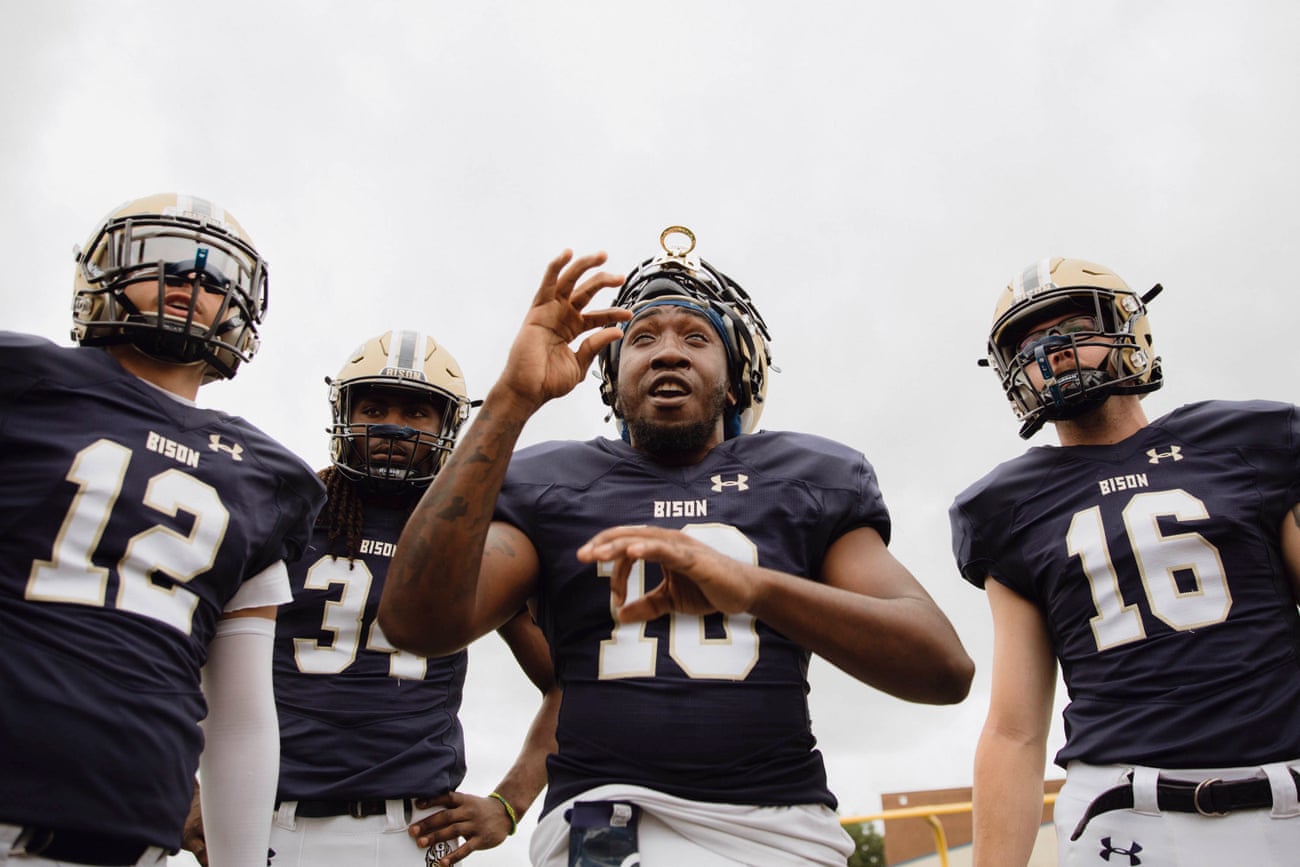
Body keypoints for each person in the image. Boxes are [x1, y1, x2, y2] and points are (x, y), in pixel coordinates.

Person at [378, 227, 975, 865]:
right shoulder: (549, 481)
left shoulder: (806, 478)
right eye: (641, 337)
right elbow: (417, 624)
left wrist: (758, 588)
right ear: (609, 375)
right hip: (604, 819)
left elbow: (944, 668)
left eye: (695, 337)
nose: (667, 352)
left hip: (782, 827)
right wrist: (511, 400)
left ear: (738, 375)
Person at [0, 193, 325, 866]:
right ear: (103, 274)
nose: (193, 283)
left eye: (216, 279)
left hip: (127, 832)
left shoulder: (266, 475)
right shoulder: (23, 378)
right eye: (169, 263)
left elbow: (239, 711)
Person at [949, 257, 1300, 867]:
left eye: (1072, 325)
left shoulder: (1250, 440)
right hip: (1122, 810)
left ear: (1129, 327)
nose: (1052, 349)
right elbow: (1015, 728)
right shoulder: (1004, 506)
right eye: (1029, 341)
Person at [181, 328, 561, 867]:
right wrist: (183, 784)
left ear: (447, 425)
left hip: (408, 829)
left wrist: (509, 803)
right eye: (375, 408)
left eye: (416, 414)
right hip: (261, 818)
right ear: (344, 414)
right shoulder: (284, 509)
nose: (391, 427)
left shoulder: (470, 535)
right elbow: (170, 648)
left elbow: (570, 682)